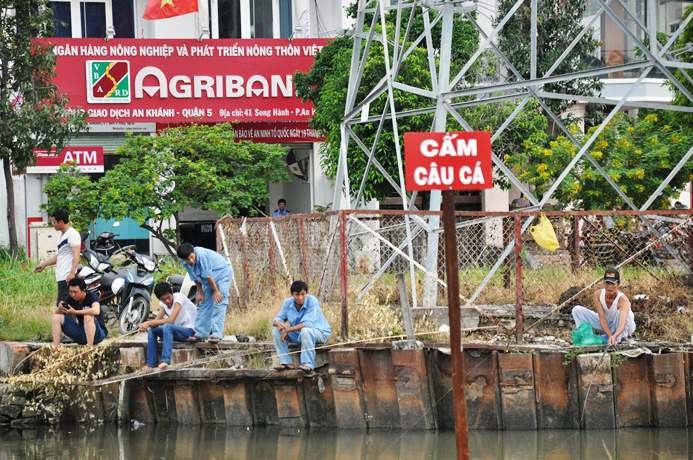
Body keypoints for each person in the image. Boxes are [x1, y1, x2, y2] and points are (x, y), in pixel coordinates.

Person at [177, 243, 232, 344]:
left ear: (193, 252)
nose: (191, 261)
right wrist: (200, 292)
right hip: (207, 279)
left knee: (219, 301)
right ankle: (200, 334)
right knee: (203, 303)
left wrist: (216, 291)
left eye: (191, 257)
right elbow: (194, 278)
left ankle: (216, 334)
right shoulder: (184, 262)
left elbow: (208, 275)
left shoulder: (201, 255)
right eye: (187, 260)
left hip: (222, 273)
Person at [272, 280, 331, 372]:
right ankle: (286, 362)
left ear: (306, 293)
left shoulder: (312, 301)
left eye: (303, 294)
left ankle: (307, 364)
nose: (300, 297)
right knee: (276, 331)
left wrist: (287, 330)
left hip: (319, 333)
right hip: (300, 334)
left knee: (306, 331)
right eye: (297, 295)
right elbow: (276, 319)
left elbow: (306, 324)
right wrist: (280, 326)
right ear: (292, 294)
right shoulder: (288, 303)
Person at [140, 282, 197, 369]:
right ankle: (151, 364)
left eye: (168, 297)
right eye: (163, 299)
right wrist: (145, 326)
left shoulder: (179, 298)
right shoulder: (163, 304)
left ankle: (165, 360)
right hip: (177, 333)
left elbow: (171, 320)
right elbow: (156, 322)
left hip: (190, 332)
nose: (167, 301)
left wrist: (149, 323)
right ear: (160, 300)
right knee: (152, 331)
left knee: (168, 326)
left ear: (172, 293)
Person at [571, 267, 636, 346]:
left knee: (625, 314)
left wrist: (614, 335)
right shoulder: (597, 295)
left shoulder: (623, 300)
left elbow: (622, 324)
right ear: (604, 283)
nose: (609, 286)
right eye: (607, 283)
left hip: (622, 326)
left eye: (612, 283)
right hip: (608, 322)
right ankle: (584, 337)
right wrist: (609, 335)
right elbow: (602, 318)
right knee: (577, 310)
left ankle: (617, 338)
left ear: (618, 284)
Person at [35, 209, 81, 306]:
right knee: (65, 308)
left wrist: (72, 273)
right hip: (62, 277)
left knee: (63, 307)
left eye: (54, 222)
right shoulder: (62, 236)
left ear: (60, 222)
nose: (53, 224)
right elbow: (60, 256)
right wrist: (44, 265)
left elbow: (77, 255)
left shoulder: (72, 234)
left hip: (67, 277)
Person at [52, 277, 107, 346]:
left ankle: (89, 347)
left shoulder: (91, 296)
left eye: (75, 292)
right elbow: (56, 313)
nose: (73, 294)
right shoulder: (71, 298)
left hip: (97, 334)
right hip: (82, 333)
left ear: (83, 290)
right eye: (70, 291)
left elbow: (96, 311)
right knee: (56, 317)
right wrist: (60, 308)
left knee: (88, 316)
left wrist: (75, 312)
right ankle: (55, 347)